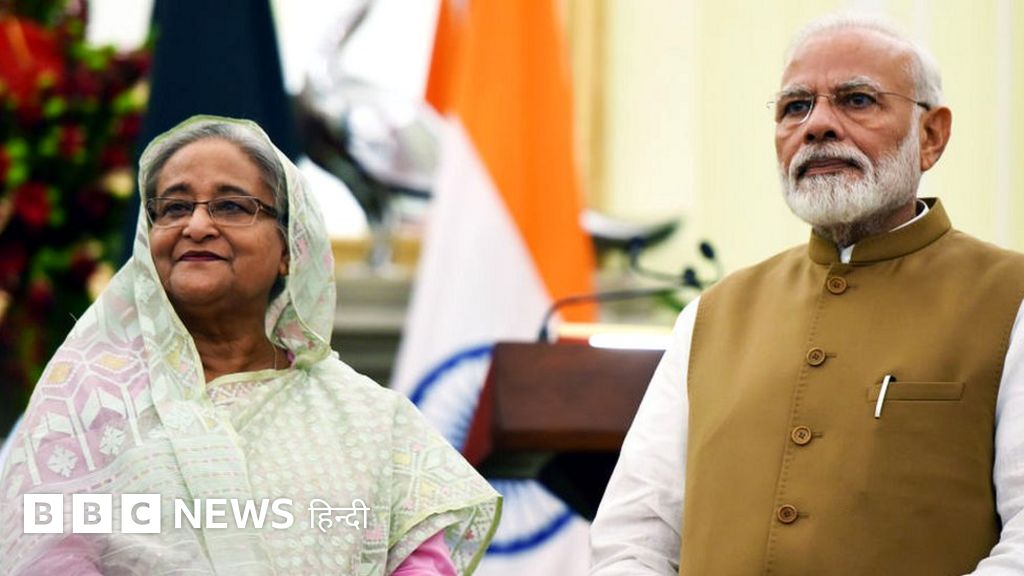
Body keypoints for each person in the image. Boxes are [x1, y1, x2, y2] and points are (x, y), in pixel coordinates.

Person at [590, 13, 1024, 575]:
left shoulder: (1008, 299)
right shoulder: (712, 317)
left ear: (931, 135)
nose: (817, 125)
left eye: (857, 100)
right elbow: (633, 537)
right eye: (795, 107)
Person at [0, 115, 501, 575]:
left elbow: (420, 565)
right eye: (174, 207)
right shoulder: (88, 403)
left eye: (231, 206)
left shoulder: (371, 419)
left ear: (289, 248)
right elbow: (50, 559)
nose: (197, 226)